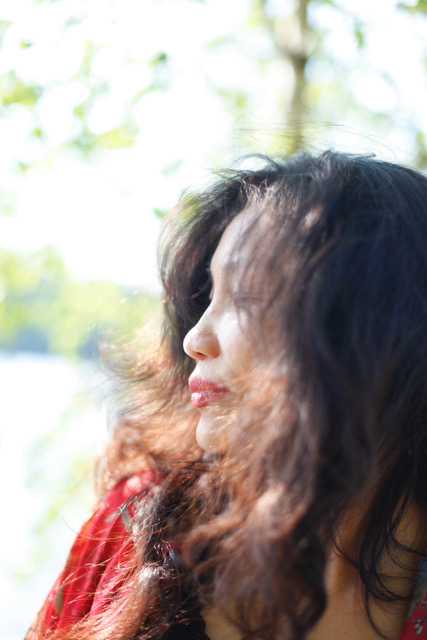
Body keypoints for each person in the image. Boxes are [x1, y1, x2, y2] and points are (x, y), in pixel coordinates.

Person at [26, 150, 427, 640]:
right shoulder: (138, 527)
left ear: (384, 326)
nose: (195, 338)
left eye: (245, 296)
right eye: (208, 296)